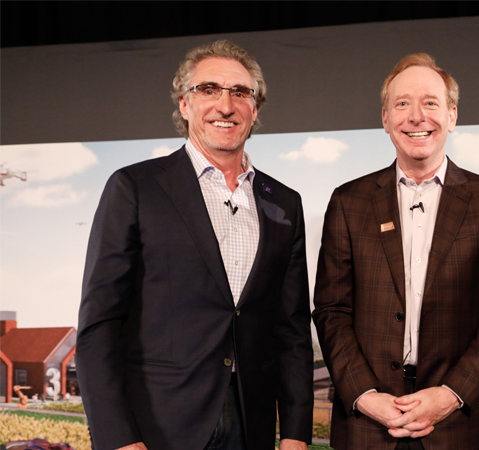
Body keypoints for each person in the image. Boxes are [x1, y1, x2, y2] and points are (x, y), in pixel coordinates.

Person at [76, 40, 313, 450]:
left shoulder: (284, 202)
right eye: (209, 90)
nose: (226, 105)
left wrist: (295, 433)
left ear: (254, 110)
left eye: (240, 93)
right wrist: (118, 440)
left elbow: (290, 330)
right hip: (157, 429)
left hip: (251, 428)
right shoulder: (134, 187)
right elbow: (99, 326)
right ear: (184, 105)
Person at [313, 53, 479, 450]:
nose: (416, 116)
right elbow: (331, 310)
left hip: (455, 425)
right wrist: (366, 397)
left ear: (452, 116)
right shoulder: (348, 201)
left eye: (430, 102)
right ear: (385, 119)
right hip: (367, 425)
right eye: (402, 103)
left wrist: (450, 395)